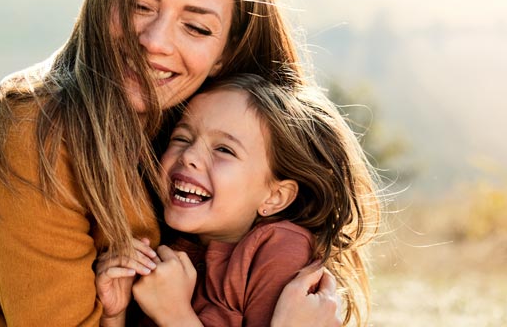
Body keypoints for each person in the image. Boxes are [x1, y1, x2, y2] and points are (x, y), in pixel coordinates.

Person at [0, 0, 341, 325]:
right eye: (139, 6)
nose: (154, 40)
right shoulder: (34, 127)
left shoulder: (198, 123)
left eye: (195, 27)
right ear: (103, 2)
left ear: (224, 54)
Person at [95, 74, 380, 327]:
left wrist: (175, 316)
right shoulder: (171, 250)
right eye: (182, 138)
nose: (189, 156)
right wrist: (114, 314)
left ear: (275, 196)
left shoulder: (279, 249)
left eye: (224, 149)